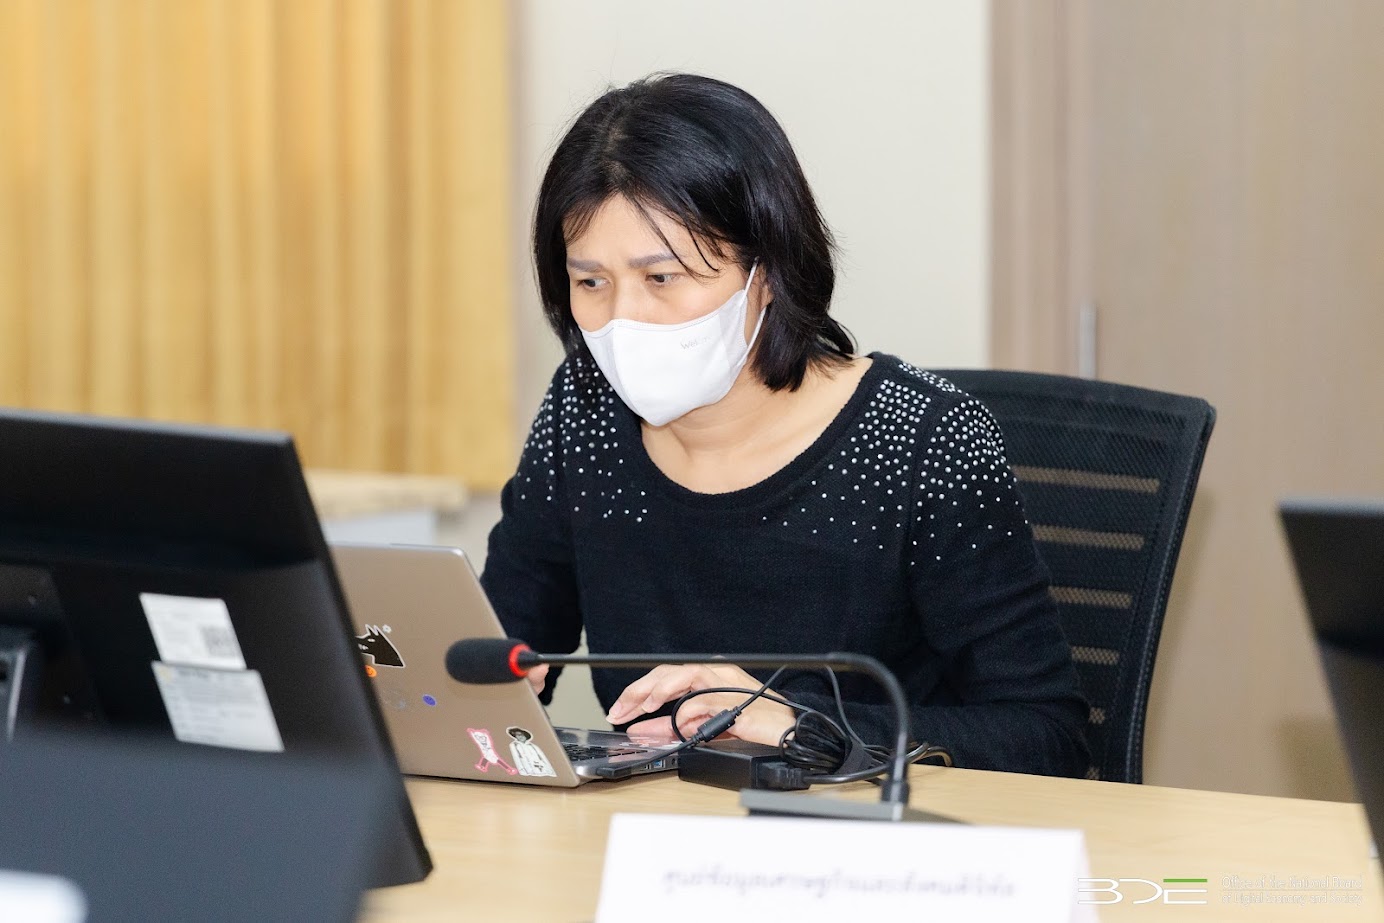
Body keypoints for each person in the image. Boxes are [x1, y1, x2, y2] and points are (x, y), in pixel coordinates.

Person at [480, 73, 1088, 777]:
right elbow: (496, 648)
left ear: (766, 270)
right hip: (655, 824)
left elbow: (1049, 735)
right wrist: (466, 685)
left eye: (662, 278)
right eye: (591, 282)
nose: (623, 319)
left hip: (870, 831)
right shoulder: (584, 412)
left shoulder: (922, 438)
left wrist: (800, 723)